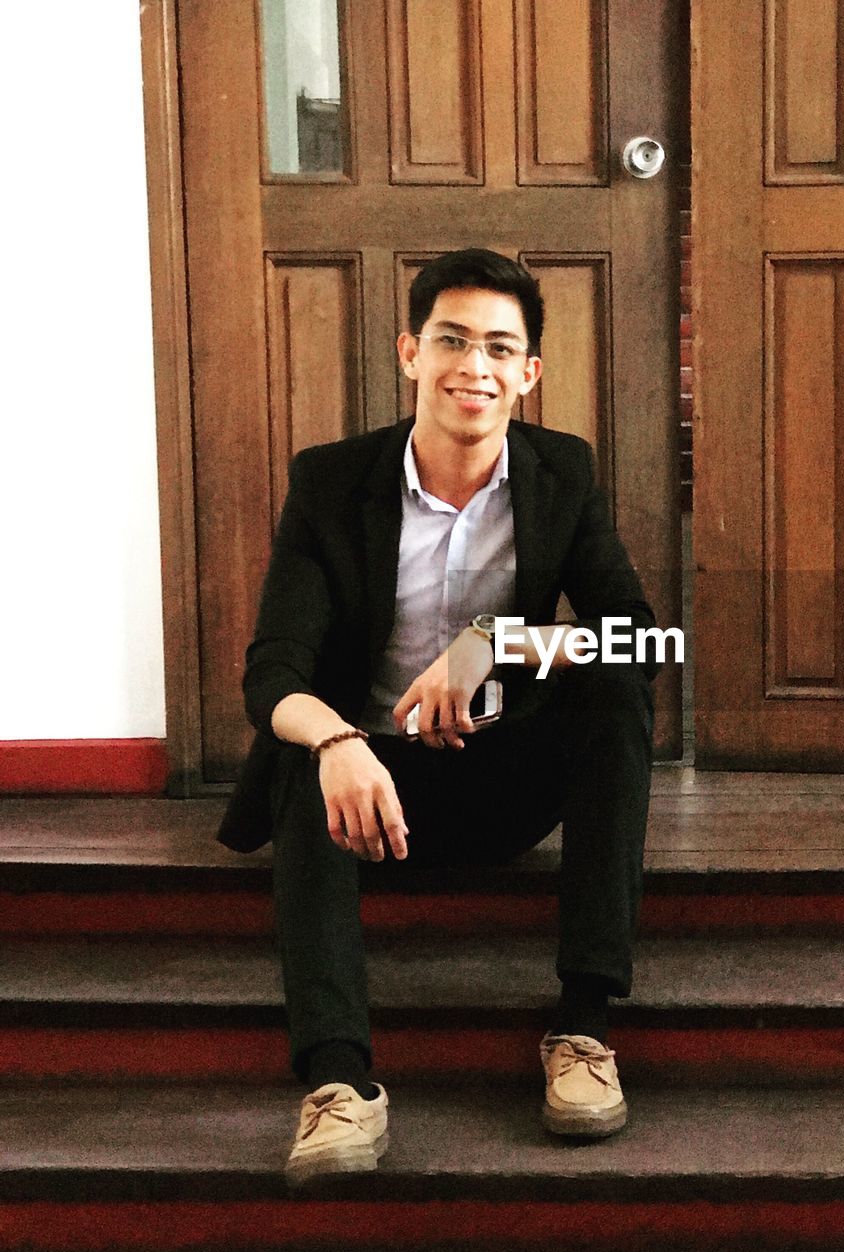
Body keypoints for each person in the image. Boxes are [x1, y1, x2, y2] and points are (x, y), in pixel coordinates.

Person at [215, 248, 662, 1185]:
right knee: (304, 743)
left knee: (613, 689)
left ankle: (582, 1031)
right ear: (410, 353)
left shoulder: (562, 475)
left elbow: (645, 641)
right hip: (370, 794)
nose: (476, 367)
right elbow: (273, 672)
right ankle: (339, 1086)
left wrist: (493, 641)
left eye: (501, 348)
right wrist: (338, 737)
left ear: (529, 373)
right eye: (453, 341)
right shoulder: (332, 483)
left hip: (504, 780)